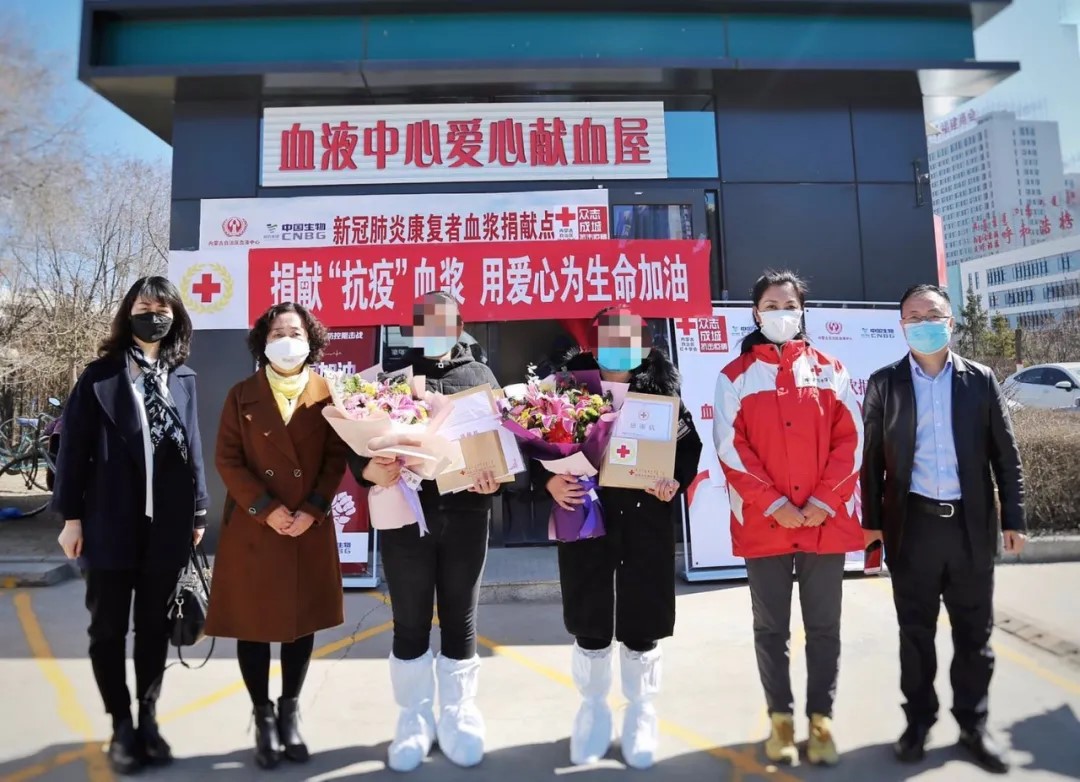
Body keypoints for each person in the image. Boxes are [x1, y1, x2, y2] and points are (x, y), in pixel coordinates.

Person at [861, 283, 1025, 774]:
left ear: (950, 322)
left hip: (970, 529)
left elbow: (1006, 455)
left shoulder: (980, 380)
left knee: (975, 635)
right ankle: (918, 722)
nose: (923, 323)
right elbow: (871, 462)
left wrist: (1014, 518)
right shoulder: (885, 383)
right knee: (915, 634)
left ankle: (973, 724)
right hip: (913, 528)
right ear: (902, 326)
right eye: (913, 316)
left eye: (932, 315)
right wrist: (872, 528)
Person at [53, 276, 209, 774]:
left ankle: (148, 718)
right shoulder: (100, 376)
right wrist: (71, 518)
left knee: (154, 628)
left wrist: (199, 511)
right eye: (145, 306)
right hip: (108, 523)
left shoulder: (182, 377)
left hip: (168, 526)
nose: (154, 315)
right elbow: (73, 451)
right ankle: (120, 724)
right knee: (107, 629)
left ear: (176, 317)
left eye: (164, 308)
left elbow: (193, 447)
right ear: (128, 313)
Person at [713, 270, 864, 767]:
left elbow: (852, 440)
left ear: (803, 311)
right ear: (755, 313)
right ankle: (780, 719)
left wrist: (823, 500)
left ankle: (821, 721)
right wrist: (775, 503)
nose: (782, 314)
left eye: (789, 305)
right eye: (771, 306)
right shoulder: (734, 376)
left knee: (824, 627)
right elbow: (730, 448)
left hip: (825, 522)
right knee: (771, 629)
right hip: (764, 522)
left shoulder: (830, 369)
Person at [542, 306, 702, 770]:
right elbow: (534, 445)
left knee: (643, 615)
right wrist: (548, 482)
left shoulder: (662, 391)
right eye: (608, 337)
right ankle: (592, 710)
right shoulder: (567, 388)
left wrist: (673, 481)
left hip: (644, 519)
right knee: (589, 613)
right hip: (585, 513)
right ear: (593, 342)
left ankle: (640, 712)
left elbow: (687, 447)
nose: (618, 346)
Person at [349, 291, 501, 772]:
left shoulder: (480, 377)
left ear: (459, 326)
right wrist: (367, 469)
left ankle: (458, 713)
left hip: (466, 514)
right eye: (424, 322)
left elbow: (504, 446)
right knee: (410, 618)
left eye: (444, 322)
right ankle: (413, 716)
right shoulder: (391, 379)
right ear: (412, 329)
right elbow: (358, 447)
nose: (434, 331)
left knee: (461, 616)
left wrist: (496, 477)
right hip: (405, 514)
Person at [204, 302, 348, 769]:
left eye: (296, 333)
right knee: (253, 625)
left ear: (311, 340)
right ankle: (262, 715)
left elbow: (336, 459)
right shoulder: (241, 394)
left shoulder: (327, 394)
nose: (287, 341)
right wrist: (265, 510)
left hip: (307, 526)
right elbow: (227, 459)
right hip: (255, 527)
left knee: (298, 625)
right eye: (277, 334)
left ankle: (289, 713)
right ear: (262, 342)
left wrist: (313, 510)